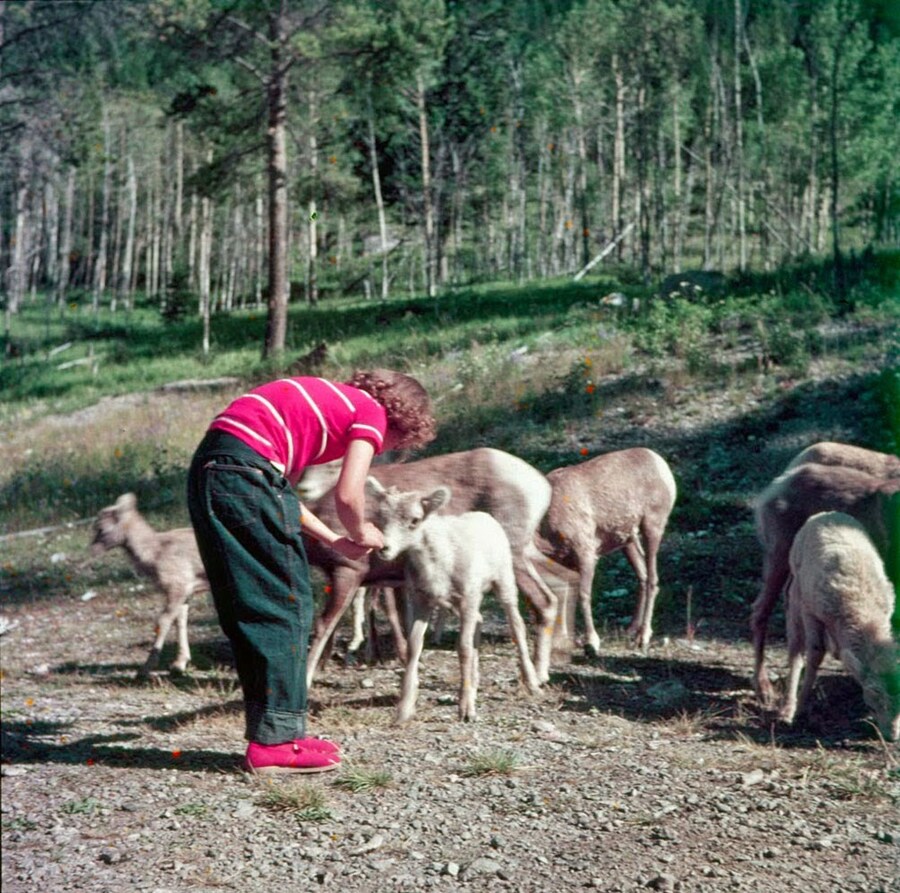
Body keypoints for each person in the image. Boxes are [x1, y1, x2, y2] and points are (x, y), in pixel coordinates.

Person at [186, 369, 436, 775]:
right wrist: (361, 529)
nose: (386, 451)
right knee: (286, 603)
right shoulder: (369, 412)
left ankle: (277, 733)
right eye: (397, 444)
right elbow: (350, 493)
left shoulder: (318, 409)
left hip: (213, 470)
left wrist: (334, 541)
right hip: (244, 472)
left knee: (258, 601)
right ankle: (275, 743)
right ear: (401, 421)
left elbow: (280, 494)